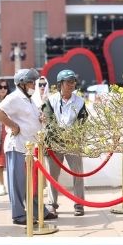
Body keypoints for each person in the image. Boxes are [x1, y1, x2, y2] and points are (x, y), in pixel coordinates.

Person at [0, 68, 56, 226]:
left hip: (31, 147)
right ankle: (19, 215)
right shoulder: (14, 98)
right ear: (21, 84)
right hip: (18, 146)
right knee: (18, 183)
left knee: (32, 183)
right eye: (30, 82)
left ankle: (37, 210)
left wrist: (40, 118)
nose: (33, 85)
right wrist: (13, 126)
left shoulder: (29, 99)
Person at [41, 69, 88, 216]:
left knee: (78, 173)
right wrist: (61, 134)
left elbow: (82, 121)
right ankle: (52, 204)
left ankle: (79, 204)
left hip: (73, 142)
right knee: (52, 175)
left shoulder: (80, 101)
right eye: (68, 81)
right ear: (60, 83)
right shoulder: (50, 100)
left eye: (73, 81)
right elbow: (49, 120)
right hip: (54, 142)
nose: (71, 84)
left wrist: (72, 134)